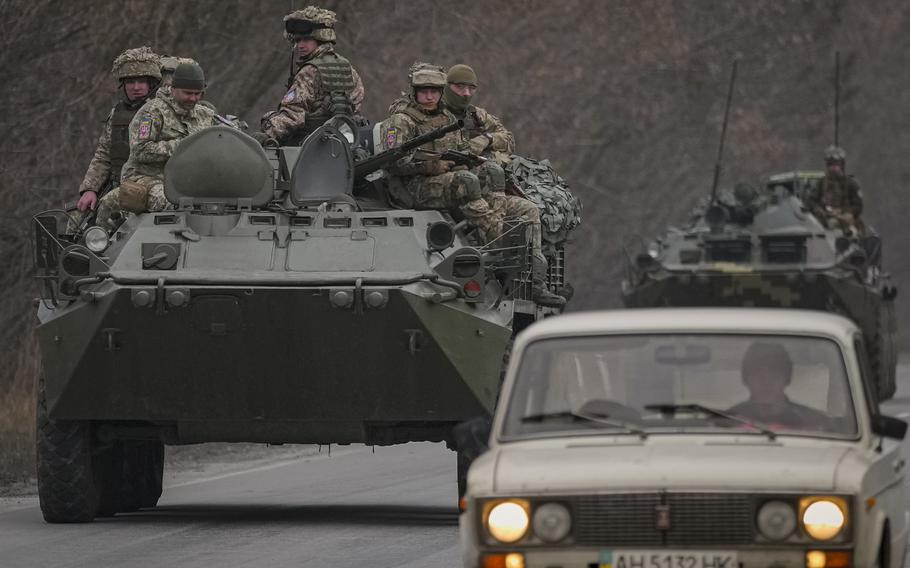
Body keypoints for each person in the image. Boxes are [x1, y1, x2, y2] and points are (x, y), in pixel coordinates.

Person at [383, 63, 564, 307]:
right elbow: (391, 162)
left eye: (434, 91)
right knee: (467, 181)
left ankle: (535, 282)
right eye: (424, 91)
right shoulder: (401, 120)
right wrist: (430, 166)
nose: (429, 96)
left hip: (452, 180)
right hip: (415, 186)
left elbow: (491, 142)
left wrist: (478, 152)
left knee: (523, 205)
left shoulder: (450, 117)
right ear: (414, 91)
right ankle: (500, 247)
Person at [443, 64, 563, 306]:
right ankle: (498, 263)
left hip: (486, 186)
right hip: (456, 188)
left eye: (470, 88)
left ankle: (533, 283)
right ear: (447, 88)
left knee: (528, 210)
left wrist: (485, 139)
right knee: (491, 227)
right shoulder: (437, 116)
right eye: (459, 87)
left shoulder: (476, 116)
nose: (465, 93)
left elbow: (508, 139)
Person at [95, 62, 217, 229]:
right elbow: (141, 150)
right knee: (174, 204)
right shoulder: (152, 113)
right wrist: (184, 146)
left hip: (189, 180)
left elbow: (223, 140)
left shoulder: (205, 115)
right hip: (148, 179)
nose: (193, 98)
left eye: (198, 94)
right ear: (173, 90)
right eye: (188, 93)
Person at [257, 6, 365, 145]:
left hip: (311, 145)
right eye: (297, 40)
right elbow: (355, 107)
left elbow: (293, 114)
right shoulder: (347, 67)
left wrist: (266, 134)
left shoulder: (309, 71)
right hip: (345, 142)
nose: (300, 45)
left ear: (320, 40)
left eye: (306, 40)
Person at [75, 47, 161, 219]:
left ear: (151, 83)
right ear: (123, 84)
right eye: (130, 82)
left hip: (150, 189)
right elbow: (104, 154)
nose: (136, 87)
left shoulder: (162, 112)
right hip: (115, 186)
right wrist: (90, 189)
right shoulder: (117, 113)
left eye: (141, 81)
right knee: (77, 222)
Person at [727, 342, 830, 429]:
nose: (766, 381)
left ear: (786, 377)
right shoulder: (727, 422)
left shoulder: (812, 424)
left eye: (773, 373)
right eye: (758, 374)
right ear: (746, 378)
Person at [806, 145, 864, 233]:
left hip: (845, 221)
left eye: (836, 164)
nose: (833, 167)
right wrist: (819, 211)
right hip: (825, 220)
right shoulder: (821, 183)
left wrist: (844, 212)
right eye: (830, 164)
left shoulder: (851, 183)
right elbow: (811, 201)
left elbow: (858, 206)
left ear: (841, 165)